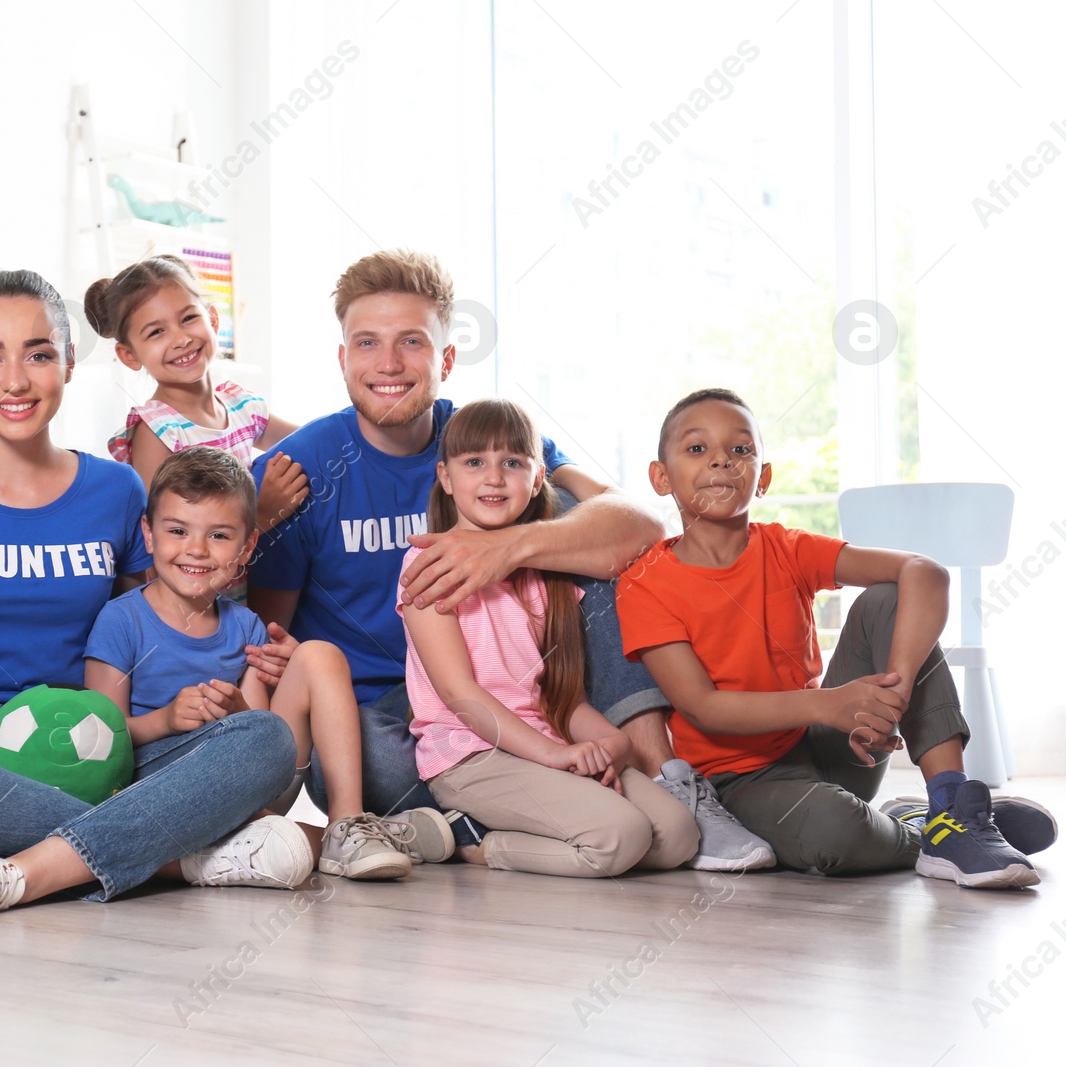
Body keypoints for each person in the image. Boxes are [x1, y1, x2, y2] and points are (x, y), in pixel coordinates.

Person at [247, 248, 768, 867]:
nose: (388, 364)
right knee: (382, 759)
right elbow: (267, 632)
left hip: (519, 689)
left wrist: (506, 546)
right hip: (386, 715)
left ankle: (666, 779)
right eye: (367, 343)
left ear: (445, 358)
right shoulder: (300, 468)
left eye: (411, 342)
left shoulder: (485, 440)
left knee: (599, 570)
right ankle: (485, 828)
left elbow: (641, 520)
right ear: (342, 358)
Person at [0, 269, 305, 922]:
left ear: (67, 361)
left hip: (98, 741)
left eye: (37, 353)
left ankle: (20, 874)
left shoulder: (115, 490)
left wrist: (250, 663)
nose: (15, 378)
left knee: (266, 739)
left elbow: (159, 627)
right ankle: (178, 856)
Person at [617, 387, 1056, 887]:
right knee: (836, 833)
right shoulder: (644, 584)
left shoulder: (787, 548)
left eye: (740, 449)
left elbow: (924, 571)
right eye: (697, 449)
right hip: (743, 779)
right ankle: (924, 829)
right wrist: (827, 705)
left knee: (890, 597)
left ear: (762, 478)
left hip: (838, 744)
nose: (721, 460)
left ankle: (952, 804)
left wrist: (895, 693)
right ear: (660, 476)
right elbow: (702, 706)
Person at [84, 447, 420, 881]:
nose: (197, 550)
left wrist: (241, 719)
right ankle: (385, 835)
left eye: (220, 536)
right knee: (282, 838)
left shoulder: (246, 626)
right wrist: (166, 720)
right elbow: (99, 736)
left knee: (320, 654)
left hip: (249, 782)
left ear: (247, 547)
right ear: (148, 534)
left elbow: (264, 733)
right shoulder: (121, 620)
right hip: (164, 788)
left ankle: (345, 824)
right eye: (178, 531)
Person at [401, 398, 697, 876]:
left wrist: (611, 744)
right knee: (621, 837)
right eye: (475, 462)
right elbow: (460, 695)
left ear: (537, 479)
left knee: (679, 836)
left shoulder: (537, 577)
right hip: (471, 756)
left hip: (543, 743)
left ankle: (543, 822)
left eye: (512, 463)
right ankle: (475, 845)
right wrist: (554, 756)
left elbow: (553, 696)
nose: (494, 477)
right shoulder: (427, 566)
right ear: (446, 478)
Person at [91, 255, 308, 535]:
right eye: (157, 331)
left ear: (214, 320)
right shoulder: (158, 433)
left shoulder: (242, 406)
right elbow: (169, 540)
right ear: (129, 355)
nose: (181, 339)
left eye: (189, 318)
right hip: (203, 576)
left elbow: (312, 443)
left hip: (259, 573)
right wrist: (263, 514)